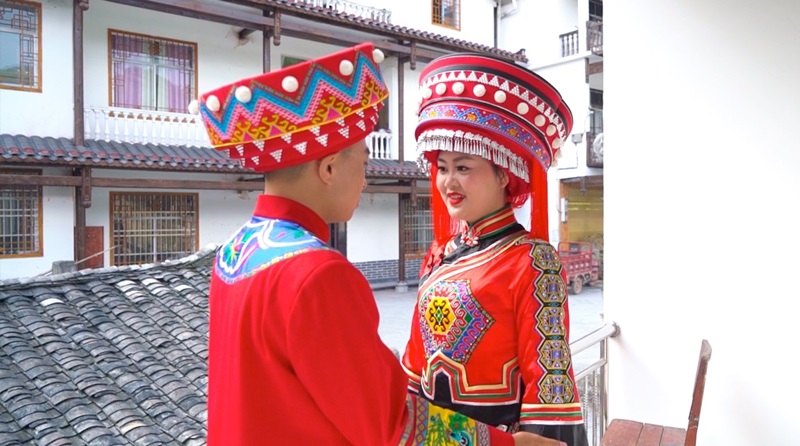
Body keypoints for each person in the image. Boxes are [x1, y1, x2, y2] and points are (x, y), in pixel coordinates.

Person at [194, 43, 569, 446]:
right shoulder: (318, 274)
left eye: (463, 167)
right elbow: (392, 423)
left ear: (504, 174)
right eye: (363, 161)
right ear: (329, 168)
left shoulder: (234, 252)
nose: (366, 178)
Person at [401, 53, 590, 446]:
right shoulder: (439, 255)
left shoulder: (533, 260)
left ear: (504, 173)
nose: (448, 182)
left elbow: (549, 387)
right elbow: (414, 370)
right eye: (443, 167)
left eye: (463, 167)